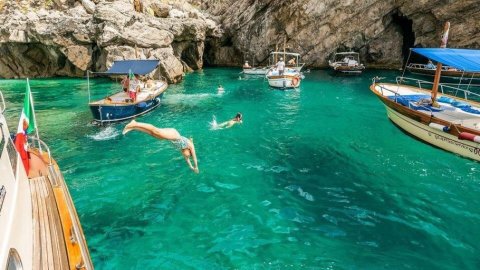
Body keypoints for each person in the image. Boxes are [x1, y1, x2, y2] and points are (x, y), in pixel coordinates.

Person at [122, 120, 199, 173]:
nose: (185, 155)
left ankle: (133, 127)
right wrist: (196, 167)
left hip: (169, 138)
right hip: (175, 135)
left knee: (152, 134)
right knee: (156, 130)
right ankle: (135, 123)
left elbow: (188, 161)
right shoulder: (190, 145)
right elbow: (194, 158)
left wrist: (192, 168)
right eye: (187, 155)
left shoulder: (183, 151)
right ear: (189, 151)